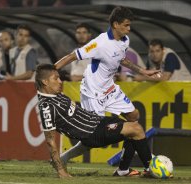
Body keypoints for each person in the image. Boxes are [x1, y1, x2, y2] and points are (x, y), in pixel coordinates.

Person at [54, 6, 160, 174]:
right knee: (92, 139)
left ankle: (123, 169)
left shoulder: (124, 40)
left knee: (134, 117)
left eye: (130, 25)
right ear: (115, 24)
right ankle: (63, 159)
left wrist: (142, 71)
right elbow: (72, 56)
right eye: (126, 25)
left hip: (110, 89)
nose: (129, 29)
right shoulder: (99, 43)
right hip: (93, 94)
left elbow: (121, 58)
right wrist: (51, 71)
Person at [35, 64, 152, 178]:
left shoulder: (55, 94)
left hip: (97, 121)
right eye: (56, 78)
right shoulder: (46, 107)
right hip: (92, 133)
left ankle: (123, 170)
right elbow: (50, 141)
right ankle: (151, 169)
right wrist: (61, 171)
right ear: (45, 82)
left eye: (59, 77)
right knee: (136, 130)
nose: (60, 81)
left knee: (132, 127)